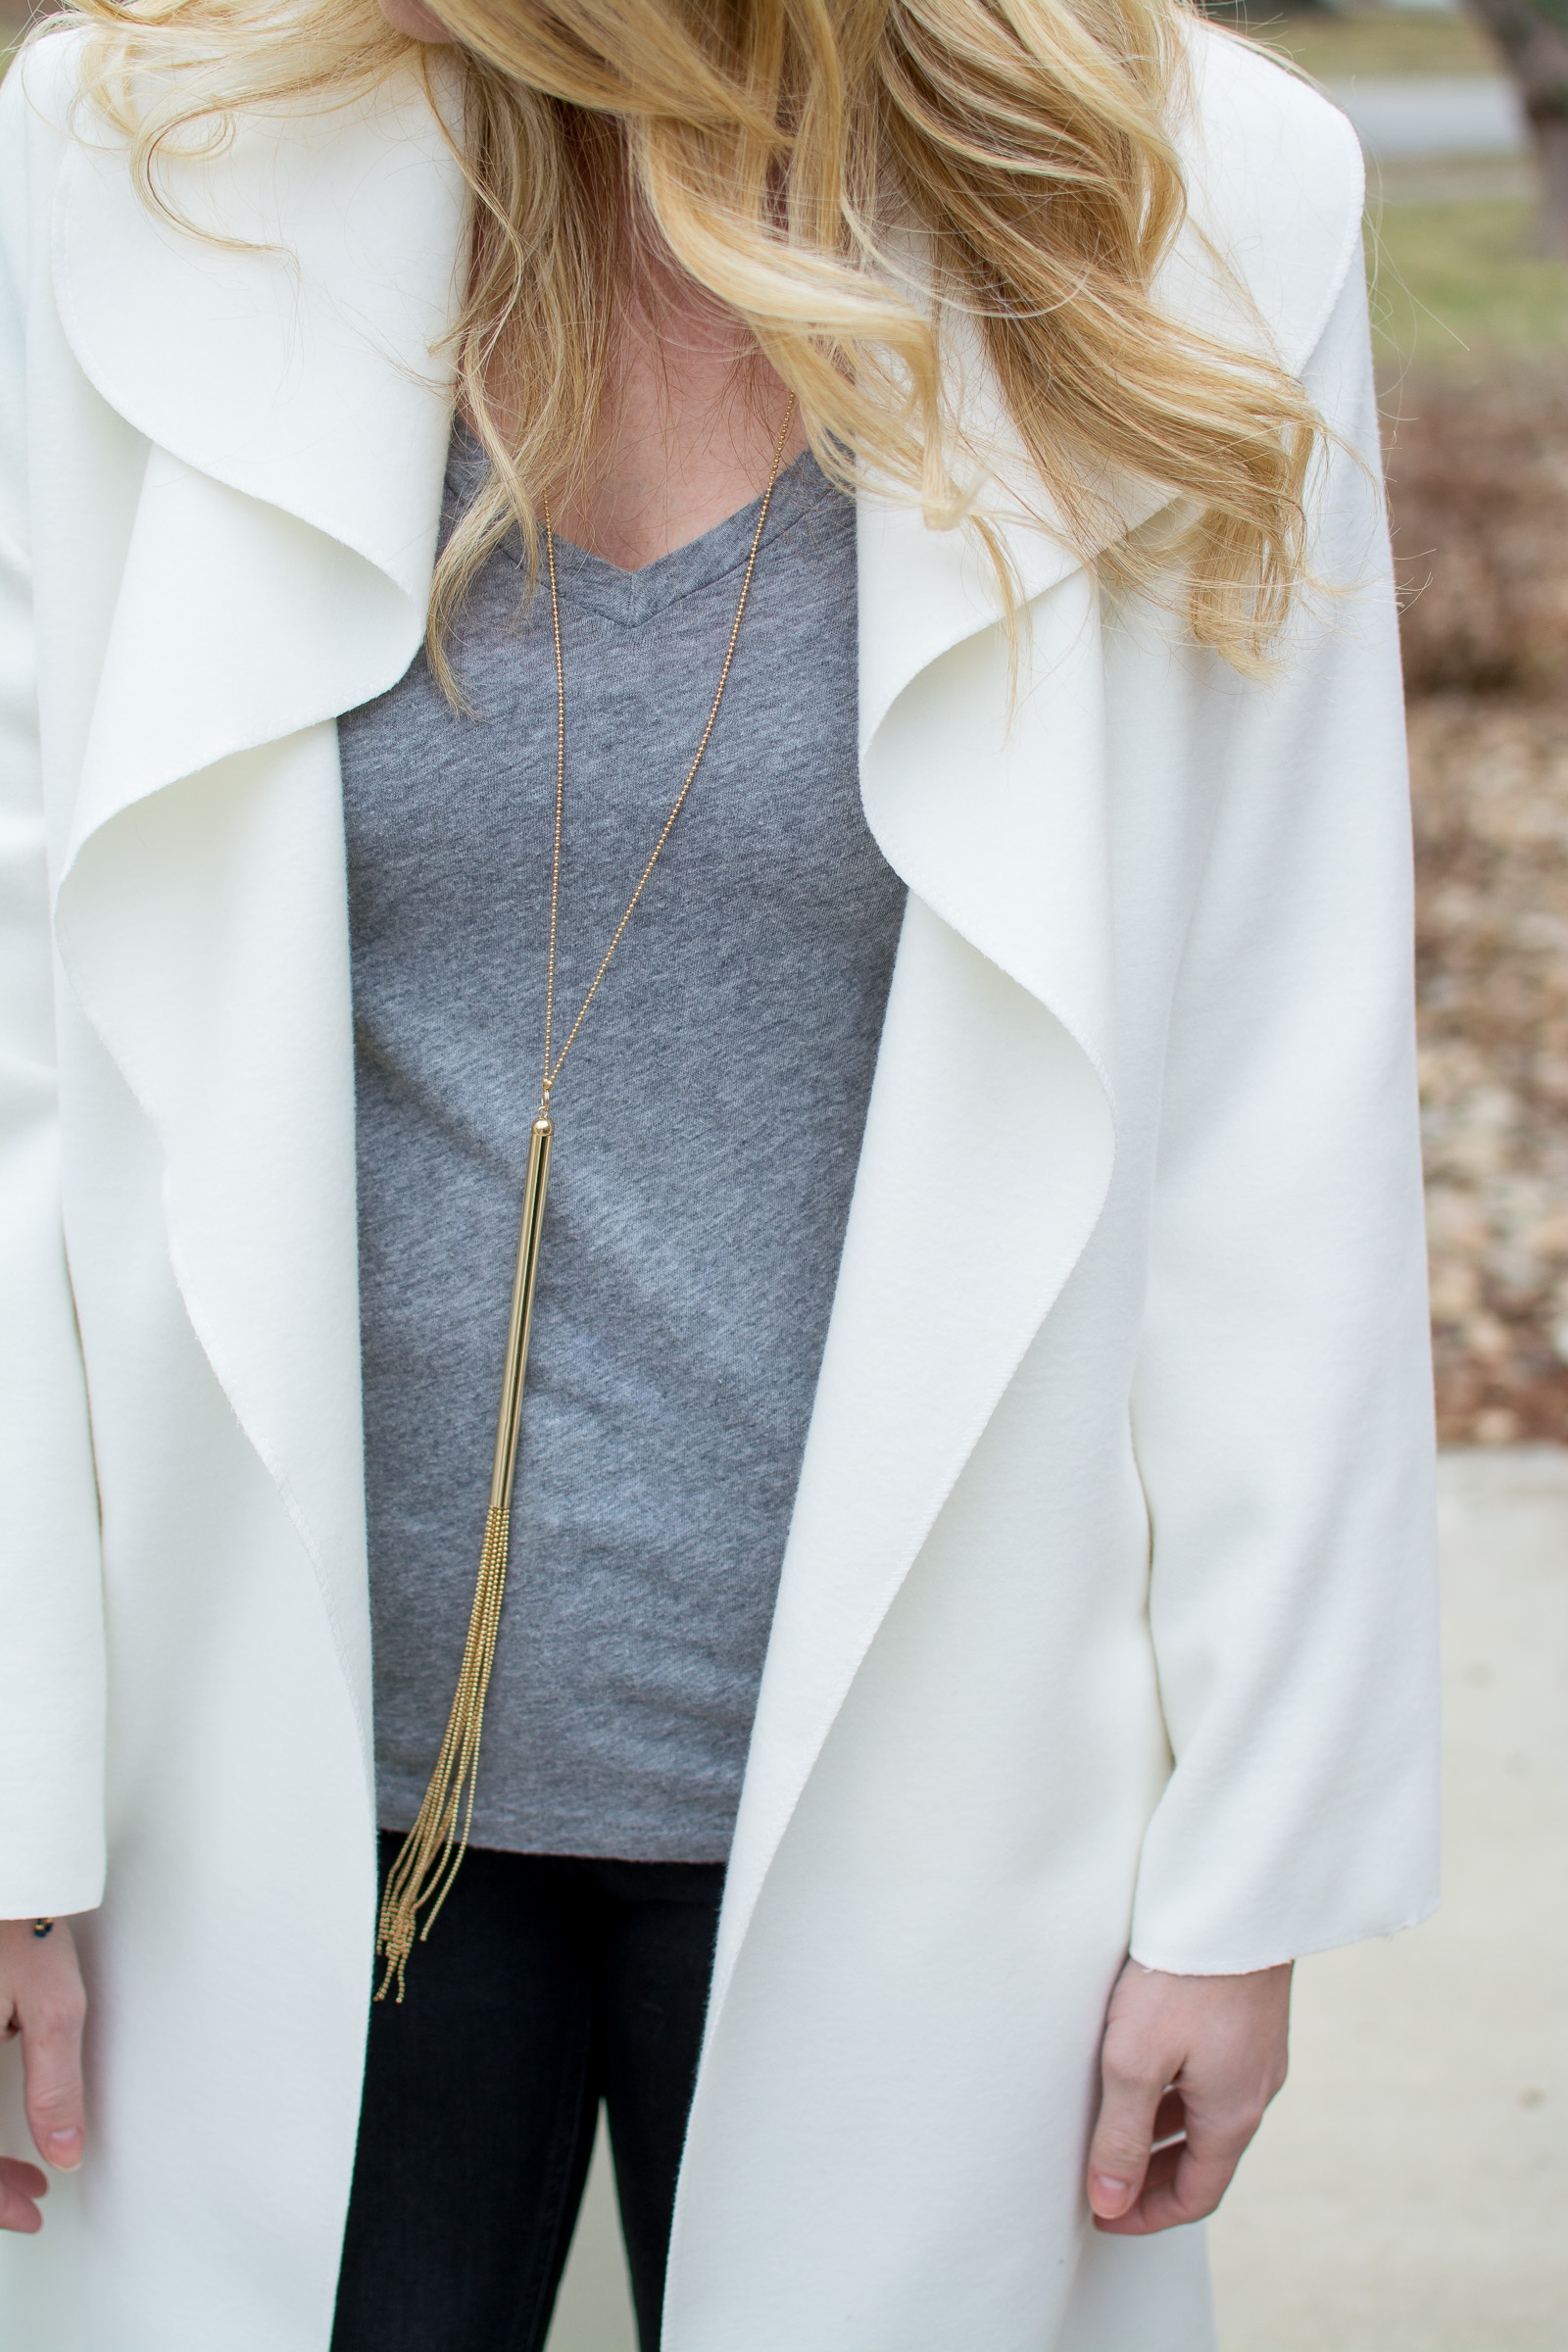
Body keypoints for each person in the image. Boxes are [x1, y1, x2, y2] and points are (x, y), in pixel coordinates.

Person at [0, 0, 1439, 2337]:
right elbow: (21, 1045)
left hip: (937, 1819)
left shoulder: (1194, 192)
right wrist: (6, 1795)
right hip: (254, 1810)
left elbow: (1274, 1073)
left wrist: (1241, 1864)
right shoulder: (147, 152)